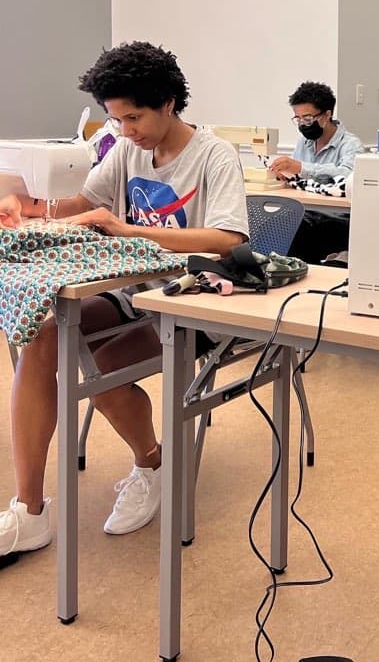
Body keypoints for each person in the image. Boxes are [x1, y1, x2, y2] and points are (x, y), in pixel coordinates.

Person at [0, 42, 248, 560]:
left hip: (197, 297)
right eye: (116, 120)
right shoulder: (127, 149)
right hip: (134, 288)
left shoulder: (213, 155)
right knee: (42, 336)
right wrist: (24, 201)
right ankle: (30, 511)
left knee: (101, 362)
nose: (125, 130)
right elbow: (81, 203)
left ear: (169, 104)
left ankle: (151, 465)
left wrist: (129, 228)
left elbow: (228, 240)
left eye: (133, 118)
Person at [267, 81, 363, 263]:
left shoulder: (351, 145)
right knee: (271, 226)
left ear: (327, 115)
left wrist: (302, 168)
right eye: (298, 119)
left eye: (308, 119)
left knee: (299, 233)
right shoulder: (305, 142)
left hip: (338, 219)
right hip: (306, 213)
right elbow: (297, 178)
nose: (303, 124)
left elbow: (348, 176)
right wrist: (284, 175)